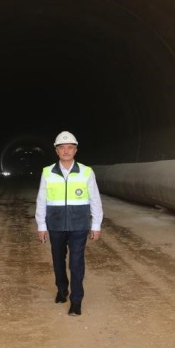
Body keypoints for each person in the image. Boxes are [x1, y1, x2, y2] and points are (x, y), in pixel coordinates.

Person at [35, 131, 103, 316]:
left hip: (79, 225)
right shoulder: (47, 172)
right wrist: (41, 225)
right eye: (62, 148)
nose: (66, 151)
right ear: (57, 151)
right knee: (58, 261)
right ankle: (62, 289)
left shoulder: (86, 172)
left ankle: (76, 301)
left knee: (76, 262)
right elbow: (41, 199)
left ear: (75, 150)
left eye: (70, 148)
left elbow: (95, 199)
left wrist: (96, 224)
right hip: (55, 225)